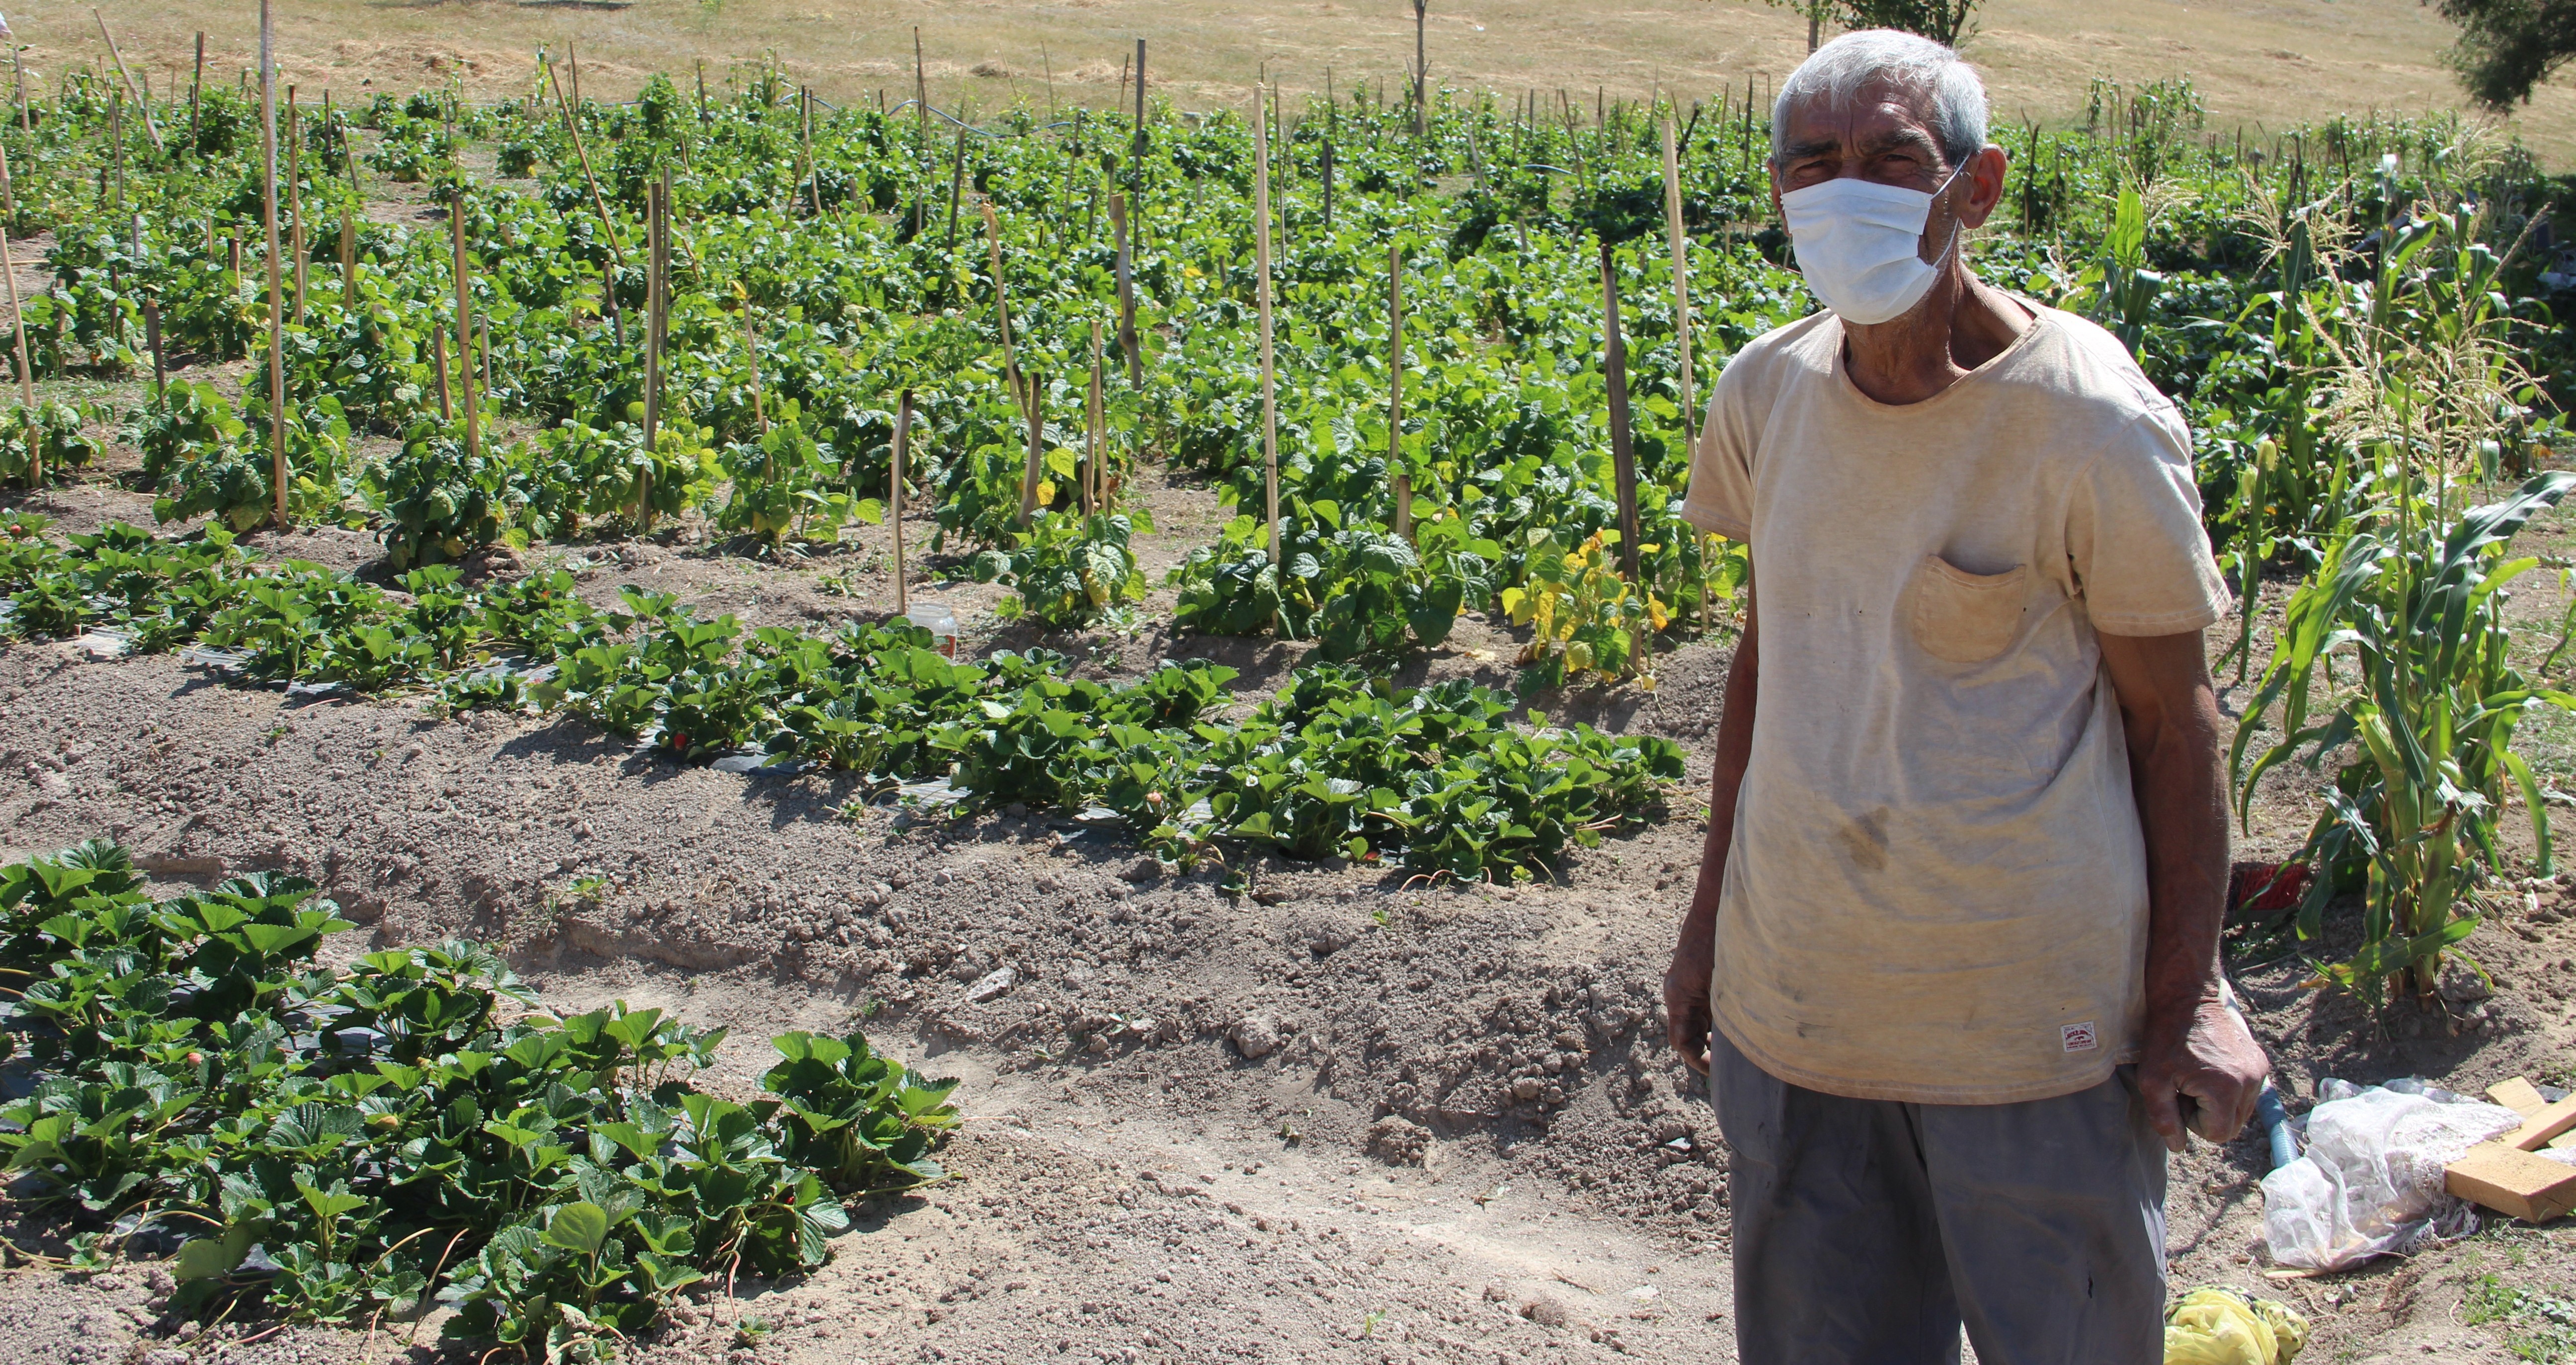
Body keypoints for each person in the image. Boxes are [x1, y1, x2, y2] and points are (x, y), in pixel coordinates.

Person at [1660, 29, 2270, 1365]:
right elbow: (1775, 662)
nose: (1847, 192)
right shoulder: (1762, 394)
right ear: (1775, 195)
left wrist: (2187, 990)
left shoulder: (2088, 421)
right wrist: (1711, 917)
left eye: (1893, 159)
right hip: (1801, 1015)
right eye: (1813, 164)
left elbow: (2179, 730)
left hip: (2032, 1040)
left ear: (1977, 188)